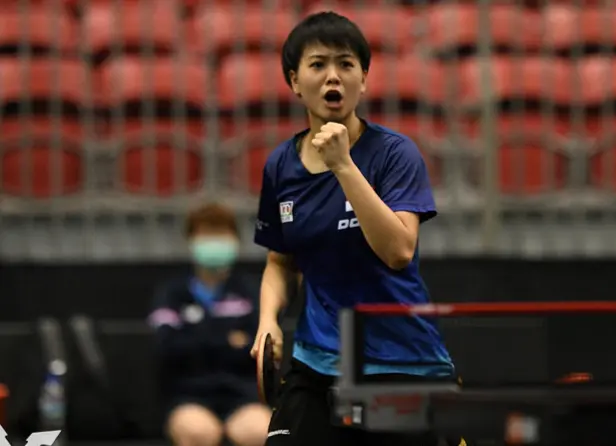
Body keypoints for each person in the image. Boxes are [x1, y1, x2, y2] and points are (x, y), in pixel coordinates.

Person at [251, 11, 459, 446]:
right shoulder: (280, 166)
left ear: (363, 80)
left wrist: (343, 166)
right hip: (317, 363)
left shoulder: (395, 154)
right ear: (295, 81)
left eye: (346, 64)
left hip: (401, 361)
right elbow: (281, 262)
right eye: (318, 64)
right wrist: (268, 320)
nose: (334, 76)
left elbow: (398, 251)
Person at [148, 202, 271, 446]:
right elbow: (167, 348)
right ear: (190, 241)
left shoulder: (250, 291)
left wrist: (197, 336)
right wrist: (227, 339)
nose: (214, 242)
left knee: (260, 431)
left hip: (242, 395)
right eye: (206, 235)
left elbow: (257, 349)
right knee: (198, 433)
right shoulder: (172, 294)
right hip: (188, 396)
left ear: (236, 241)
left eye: (221, 235)